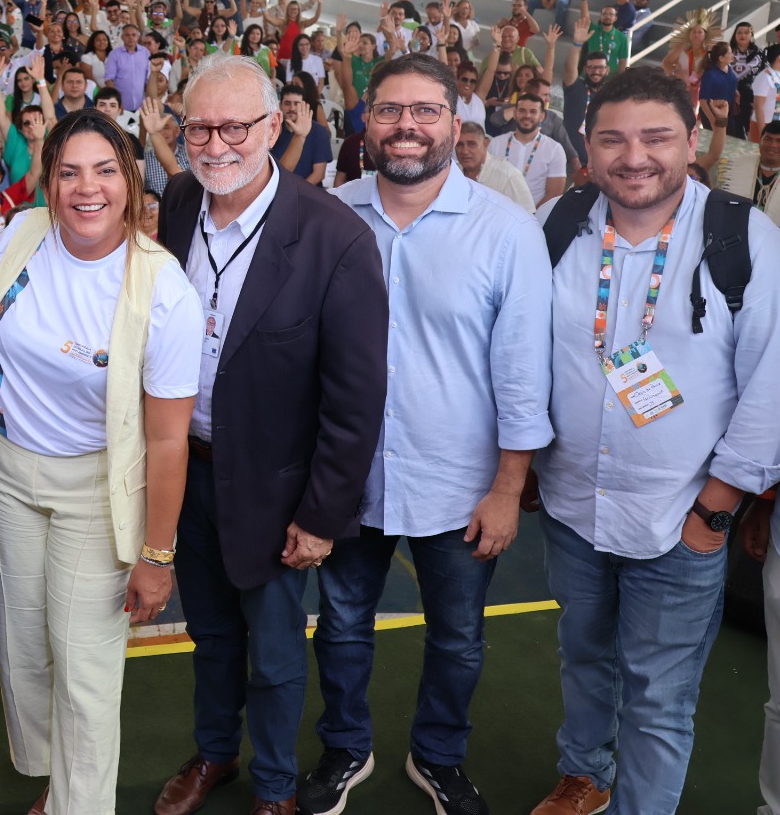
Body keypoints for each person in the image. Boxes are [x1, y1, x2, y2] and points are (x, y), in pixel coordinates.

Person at [304, 53, 553, 815]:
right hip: (346, 480)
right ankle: (347, 747)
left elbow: (522, 375)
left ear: (455, 121)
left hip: (461, 484)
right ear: (365, 121)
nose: (405, 126)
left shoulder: (507, 232)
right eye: (389, 110)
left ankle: (438, 756)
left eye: (424, 111)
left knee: (458, 637)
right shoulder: (325, 217)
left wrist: (509, 489)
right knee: (342, 627)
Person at [529, 66, 780, 815]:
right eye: (613, 138)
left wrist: (716, 509)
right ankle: (584, 775)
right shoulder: (559, 224)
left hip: (681, 520)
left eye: (656, 137)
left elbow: (772, 382)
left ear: (694, 140)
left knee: (659, 698)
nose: (634, 157)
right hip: (574, 509)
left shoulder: (742, 237)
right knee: (583, 658)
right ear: (586, 144)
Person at [153, 53, 387, 815]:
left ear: (275, 125)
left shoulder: (334, 237)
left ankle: (278, 787)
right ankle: (216, 752)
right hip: (187, 472)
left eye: (234, 127)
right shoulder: (181, 201)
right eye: (199, 128)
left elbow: (356, 401)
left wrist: (321, 517)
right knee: (212, 633)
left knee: (278, 653)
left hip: (279, 488)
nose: (216, 144)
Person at [0, 109, 203, 815]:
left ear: (130, 183)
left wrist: (158, 555)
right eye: (68, 172)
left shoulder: (163, 290)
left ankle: (80, 806)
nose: (85, 188)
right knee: (25, 651)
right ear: (48, 182)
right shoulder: (22, 236)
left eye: (104, 171)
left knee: (86, 670)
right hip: (5, 474)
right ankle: (54, 783)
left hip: (95, 492)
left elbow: (167, 441)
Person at [488, 98, 566, 207]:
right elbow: (486, 182)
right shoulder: (496, 143)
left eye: (533, 111)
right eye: (522, 110)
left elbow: (554, 194)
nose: (527, 115)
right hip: (498, 212)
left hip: (534, 217)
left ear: (542, 116)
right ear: (515, 114)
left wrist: (532, 216)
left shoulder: (554, 149)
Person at [454, 121, 535, 210]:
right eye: (459, 145)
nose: (465, 151)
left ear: (485, 144)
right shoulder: (452, 174)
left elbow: (529, 215)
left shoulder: (508, 175)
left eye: (471, 144)